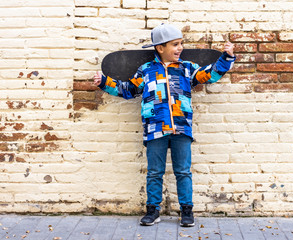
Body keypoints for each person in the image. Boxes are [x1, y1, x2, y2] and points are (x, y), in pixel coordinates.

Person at [93, 23, 235, 227]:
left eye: (181, 44)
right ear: (160, 48)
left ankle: (187, 210)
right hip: (155, 129)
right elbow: (128, 90)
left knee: (183, 171)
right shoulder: (146, 70)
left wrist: (226, 58)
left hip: (181, 127)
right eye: (175, 44)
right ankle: (153, 210)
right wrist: (104, 82)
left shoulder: (186, 68)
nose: (180, 48)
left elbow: (209, 74)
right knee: (154, 172)